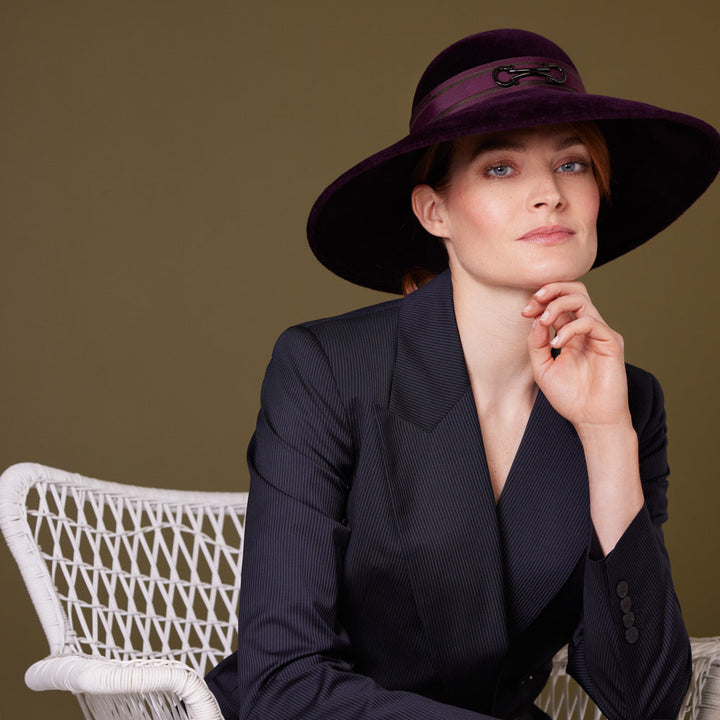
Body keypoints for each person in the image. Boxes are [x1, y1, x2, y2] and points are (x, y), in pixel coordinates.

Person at [206, 29, 720, 720]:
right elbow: (285, 684)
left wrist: (605, 437)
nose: (549, 195)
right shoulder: (324, 369)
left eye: (572, 164)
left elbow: (645, 699)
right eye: (501, 168)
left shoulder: (628, 402)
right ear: (435, 211)